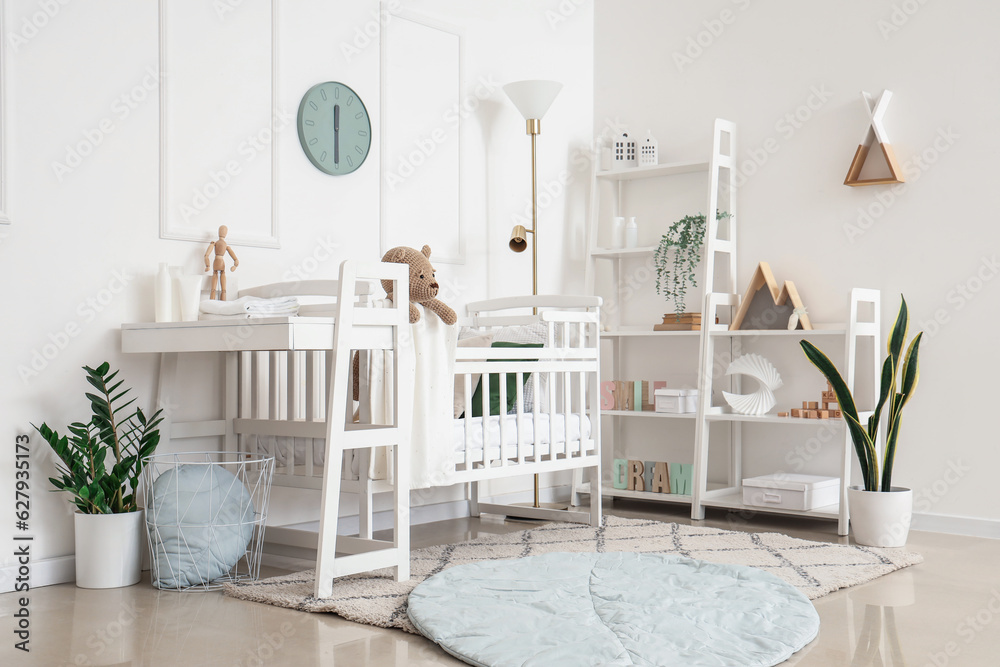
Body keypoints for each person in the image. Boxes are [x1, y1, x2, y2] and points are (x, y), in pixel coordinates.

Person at [204, 225, 239, 300]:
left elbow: (206, 255)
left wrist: (208, 265)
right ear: (226, 234)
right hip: (222, 262)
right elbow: (235, 258)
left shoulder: (214, 243)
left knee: (215, 277)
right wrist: (235, 265)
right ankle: (223, 301)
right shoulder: (225, 245)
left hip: (216, 262)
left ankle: (212, 300)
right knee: (223, 283)